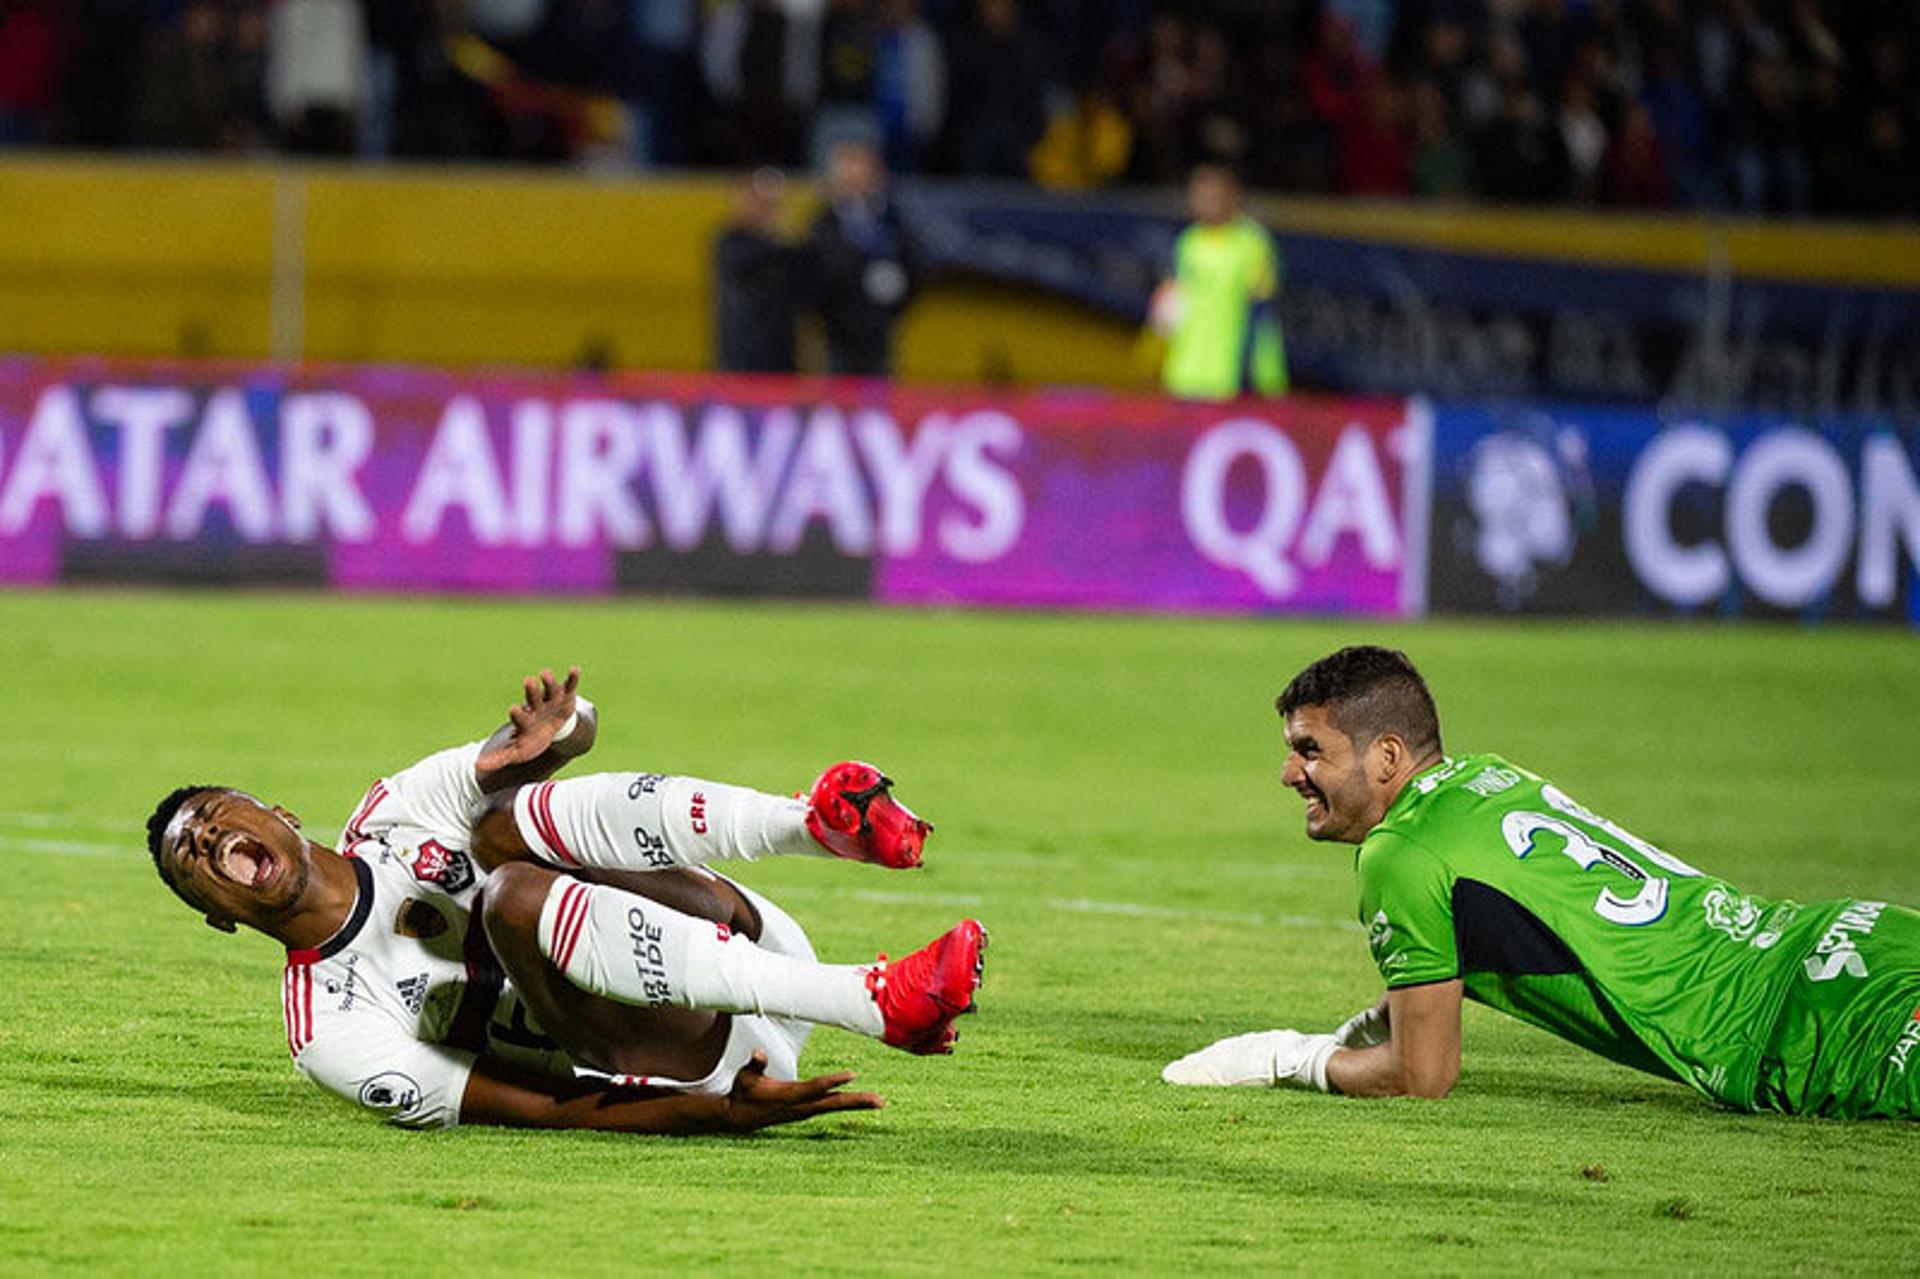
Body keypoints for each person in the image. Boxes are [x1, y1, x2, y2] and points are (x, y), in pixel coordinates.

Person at [147, 666, 987, 1135]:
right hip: (693, 1060)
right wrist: (716, 1113)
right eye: (193, 853)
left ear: (277, 813)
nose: (210, 837)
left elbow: (564, 734)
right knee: (511, 897)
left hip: (749, 938)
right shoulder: (328, 1029)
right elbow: (541, 1105)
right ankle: (869, 1000)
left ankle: (809, 824)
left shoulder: (394, 812)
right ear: (217, 914)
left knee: (504, 823)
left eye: (219, 813)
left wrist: (567, 725)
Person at [1163, 645, 1920, 1119]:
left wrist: (1280, 1057)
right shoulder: (1487, 777)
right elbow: (1526, 905)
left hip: (1813, 1030)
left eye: (1310, 749)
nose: (1289, 772)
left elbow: (1422, 1076)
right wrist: (1392, 1006)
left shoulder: (1399, 856)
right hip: (1848, 935)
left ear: (1387, 757)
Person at [1151, 164, 1287, 402]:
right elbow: (1171, 310)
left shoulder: (1252, 243)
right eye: (1200, 196)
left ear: (1233, 197)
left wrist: (1266, 378)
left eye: (1215, 196)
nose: (1207, 203)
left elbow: (1264, 315)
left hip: (1232, 376)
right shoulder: (1187, 243)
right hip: (1184, 375)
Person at [803, 137, 920, 377]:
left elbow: (916, 263)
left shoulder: (891, 220)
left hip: (878, 332)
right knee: (837, 404)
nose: (853, 179)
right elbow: (813, 273)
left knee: (877, 403)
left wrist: (894, 296)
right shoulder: (824, 222)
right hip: (837, 333)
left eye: (860, 169)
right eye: (846, 170)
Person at [713, 167, 802, 374]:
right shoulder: (729, 242)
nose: (761, 208)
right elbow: (749, 264)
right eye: (754, 200)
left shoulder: (784, 248)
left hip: (781, 358)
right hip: (740, 361)